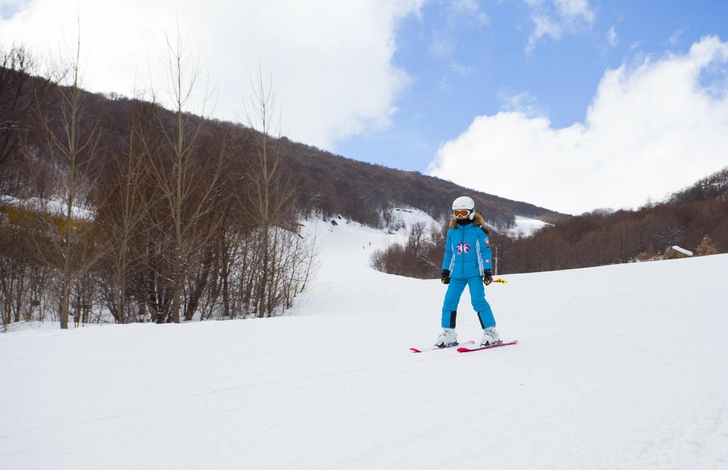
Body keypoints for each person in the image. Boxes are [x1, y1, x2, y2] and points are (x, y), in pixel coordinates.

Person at [436, 196, 501, 348]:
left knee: (478, 301)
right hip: (457, 274)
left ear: (471, 213)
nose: (460, 217)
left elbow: (485, 253)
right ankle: (448, 333)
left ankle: (491, 332)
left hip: (474, 274)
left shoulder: (479, 232)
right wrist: (446, 271)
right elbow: (449, 253)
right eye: (457, 213)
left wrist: (487, 271)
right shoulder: (452, 233)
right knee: (449, 302)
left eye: (463, 213)